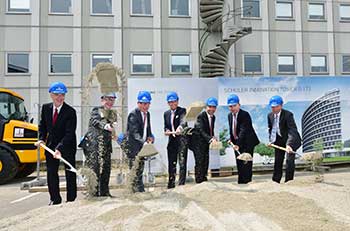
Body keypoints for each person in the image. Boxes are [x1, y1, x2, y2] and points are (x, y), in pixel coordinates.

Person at [35, 82, 77, 205]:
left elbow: (69, 133)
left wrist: (60, 149)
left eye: (62, 95)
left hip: (67, 145)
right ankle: (55, 199)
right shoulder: (46, 108)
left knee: (70, 172)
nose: (60, 97)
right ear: (51, 95)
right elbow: (42, 126)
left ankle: (71, 199)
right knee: (51, 172)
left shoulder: (70, 112)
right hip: (50, 145)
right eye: (57, 94)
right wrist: (41, 138)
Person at [80, 92, 117, 197]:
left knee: (106, 169)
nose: (110, 102)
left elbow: (113, 128)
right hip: (93, 146)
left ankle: (105, 193)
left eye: (112, 99)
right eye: (108, 99)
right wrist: (105, 126)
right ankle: (93, 194)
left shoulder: (113, 113)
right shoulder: (96, 110)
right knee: (94, 170)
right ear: (102, 100)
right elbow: (95, 121)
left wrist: (115, 134)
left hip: (106, 146)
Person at [267, 95, 301, 183]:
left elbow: (292, 130)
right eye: (272, 107)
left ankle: (289, 181)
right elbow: (271, 129)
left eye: (276, 106)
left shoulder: (288, 115)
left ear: (281, 105)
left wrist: (289, 145)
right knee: (278, 160)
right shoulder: (270, 116)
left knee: (289, 160)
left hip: (291, 139)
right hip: (279, 140)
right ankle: (275, 180)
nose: (274, 109)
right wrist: (271, 141)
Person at [227, 94, 259, 184]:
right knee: (239, 162)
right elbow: (232, 129)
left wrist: (238, 144)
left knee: (246, 162)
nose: (232, 108)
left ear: (239, 105)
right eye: (230, 106)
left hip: (247, 142)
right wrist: (231, 139)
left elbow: (243, 130)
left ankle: (248, 181)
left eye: (234, 105)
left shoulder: (245, 115)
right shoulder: (229, 115)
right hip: (237, 142)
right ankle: (241, 181)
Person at [126, 91, 154, 192]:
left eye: (146, 103)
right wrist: (144, 142)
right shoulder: (133, 115)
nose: (144, 106)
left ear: (149, 104)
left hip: (142, 147)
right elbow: (134, 133)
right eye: (142, 103)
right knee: (134, 170)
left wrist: (150, 137)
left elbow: (148, 128)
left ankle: (139, 189)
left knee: (140, 169)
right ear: (138, 103)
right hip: (134, 148)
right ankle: (133, 191)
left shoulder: (148, 114)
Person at [163, 92, 188, 189]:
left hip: (181, 140)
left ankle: (181, 184)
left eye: (174, 101)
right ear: (168, 103)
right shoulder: (166, 114)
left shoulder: (182, 111)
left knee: (182, 162)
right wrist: (167, 130)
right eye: (170, 102)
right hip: (171, 141)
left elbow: (183, 121)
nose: (173, 104)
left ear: (177, 101)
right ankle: (171, 183)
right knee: (171, 162)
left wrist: (180, 128)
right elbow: (166, 126)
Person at [192, 97, 218, 183]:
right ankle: (199, 180)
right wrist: (210, 138)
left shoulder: (213, 117)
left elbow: (210, 129)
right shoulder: (201, 116)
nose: (211, 109)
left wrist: (213, 137)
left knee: (206, 160)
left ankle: (204, 178)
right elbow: (201, 130)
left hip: (206, 142)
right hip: (198, 142)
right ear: (206, 107)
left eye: (213, 107)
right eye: (209, 106)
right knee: (199, 161)